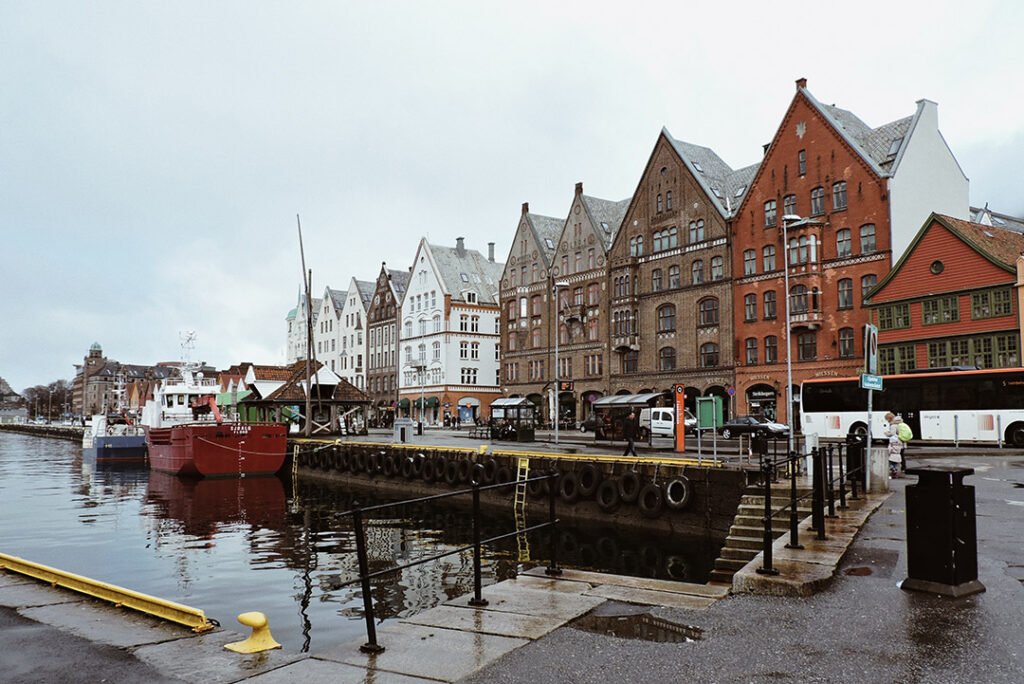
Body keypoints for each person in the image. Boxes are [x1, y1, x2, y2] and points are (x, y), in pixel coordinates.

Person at [884, 412, 903, 478]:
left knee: (891, 458)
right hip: (899, 442)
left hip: (894, 442)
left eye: (887, 419)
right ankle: (896, 470)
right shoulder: (899, 424)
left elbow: (892, 433)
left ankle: (894, 471)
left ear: (889, 419)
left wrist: (886, 433)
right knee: (896, 456)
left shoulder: (893, 425)